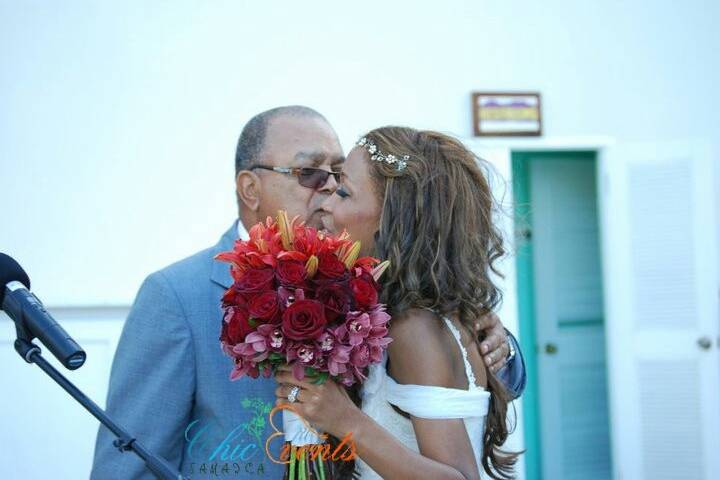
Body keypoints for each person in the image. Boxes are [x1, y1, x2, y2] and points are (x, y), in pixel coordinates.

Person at [91, 107, 524, 479]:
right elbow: (130, 460)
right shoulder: (176, 297)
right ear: (250, 188)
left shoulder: (377, 282)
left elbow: (448, 388)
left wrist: (499, 348)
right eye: (310, 173)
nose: (328, 191)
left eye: (338, 177)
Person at [273, 126, 520, 479]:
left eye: (343, 192)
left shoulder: (414, 328)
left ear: (392, 221)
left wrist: (343, 419)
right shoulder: (396, 313)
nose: (325, 204)